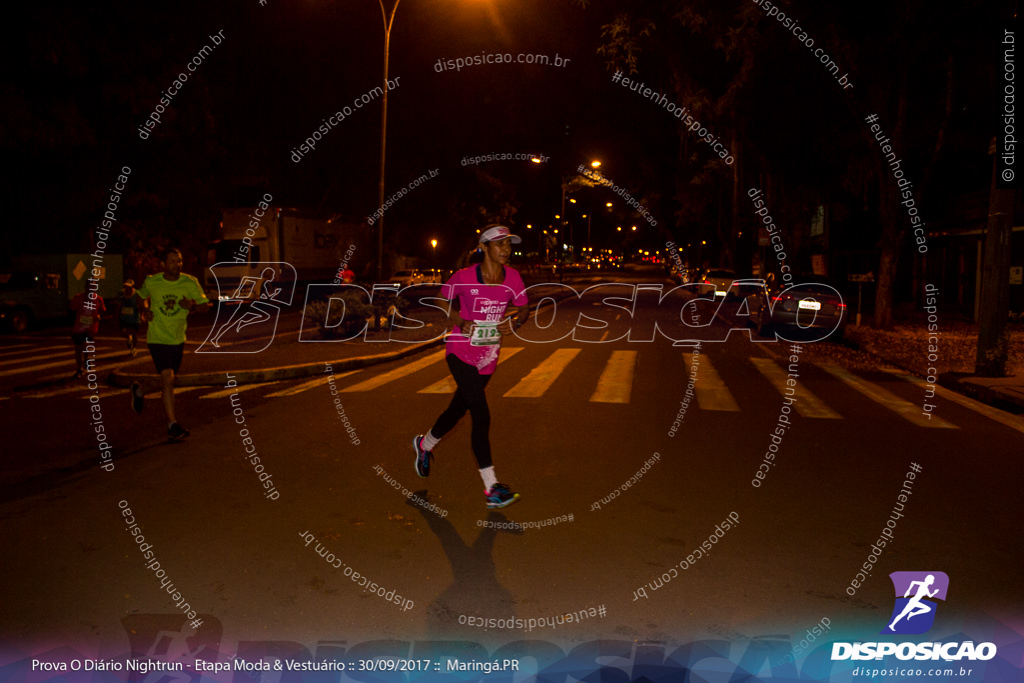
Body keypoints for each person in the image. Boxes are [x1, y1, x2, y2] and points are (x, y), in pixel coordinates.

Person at [412, 225, 529, 509]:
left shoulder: (512, 278)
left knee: (457, 410)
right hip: (460, 352)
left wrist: (514, 322)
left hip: (488, 358)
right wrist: (458, 320)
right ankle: (492, 488)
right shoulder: (464, 277)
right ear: (484, 248)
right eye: (500, 244)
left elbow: (524, 307)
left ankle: (424, 445)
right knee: (481, 412)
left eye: (508, 245)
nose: (506, 250)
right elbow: (441, 298)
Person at [129, 248, 211, 441]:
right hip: (157, 338)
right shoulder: (152, 281)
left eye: (179, 261)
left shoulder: (189, 282)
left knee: (168, 380)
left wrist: (190, 306)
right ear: (164, 264)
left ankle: (139, 390)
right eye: (173, 261)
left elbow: (206, 306)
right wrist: (145, 311)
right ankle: (172, 426)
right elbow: (140, 297)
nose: (178, 264)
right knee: (168, 379)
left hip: (177, 339)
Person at [69, 288, 107, 379]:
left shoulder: (98, 299)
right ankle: (80, 368)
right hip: (78, 327)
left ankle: (86, 359)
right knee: (78, 349)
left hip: (90, 327)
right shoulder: (78, 298)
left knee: (86, 345)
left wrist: (98, 315)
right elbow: (71, 310)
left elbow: (103, 310)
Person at [115, 280, 142, 356]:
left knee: (134, 334)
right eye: (126, 286)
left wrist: (142, 315)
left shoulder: (137, 294)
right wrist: (117, 313)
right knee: (124, 332)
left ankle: (133, 347)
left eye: (129, 287)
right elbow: (118, 304)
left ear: (132, 287)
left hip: (134, 317)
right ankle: (129, 338)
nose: (127, 288)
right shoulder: (121, 293)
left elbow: (140, 304)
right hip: (124, 317)